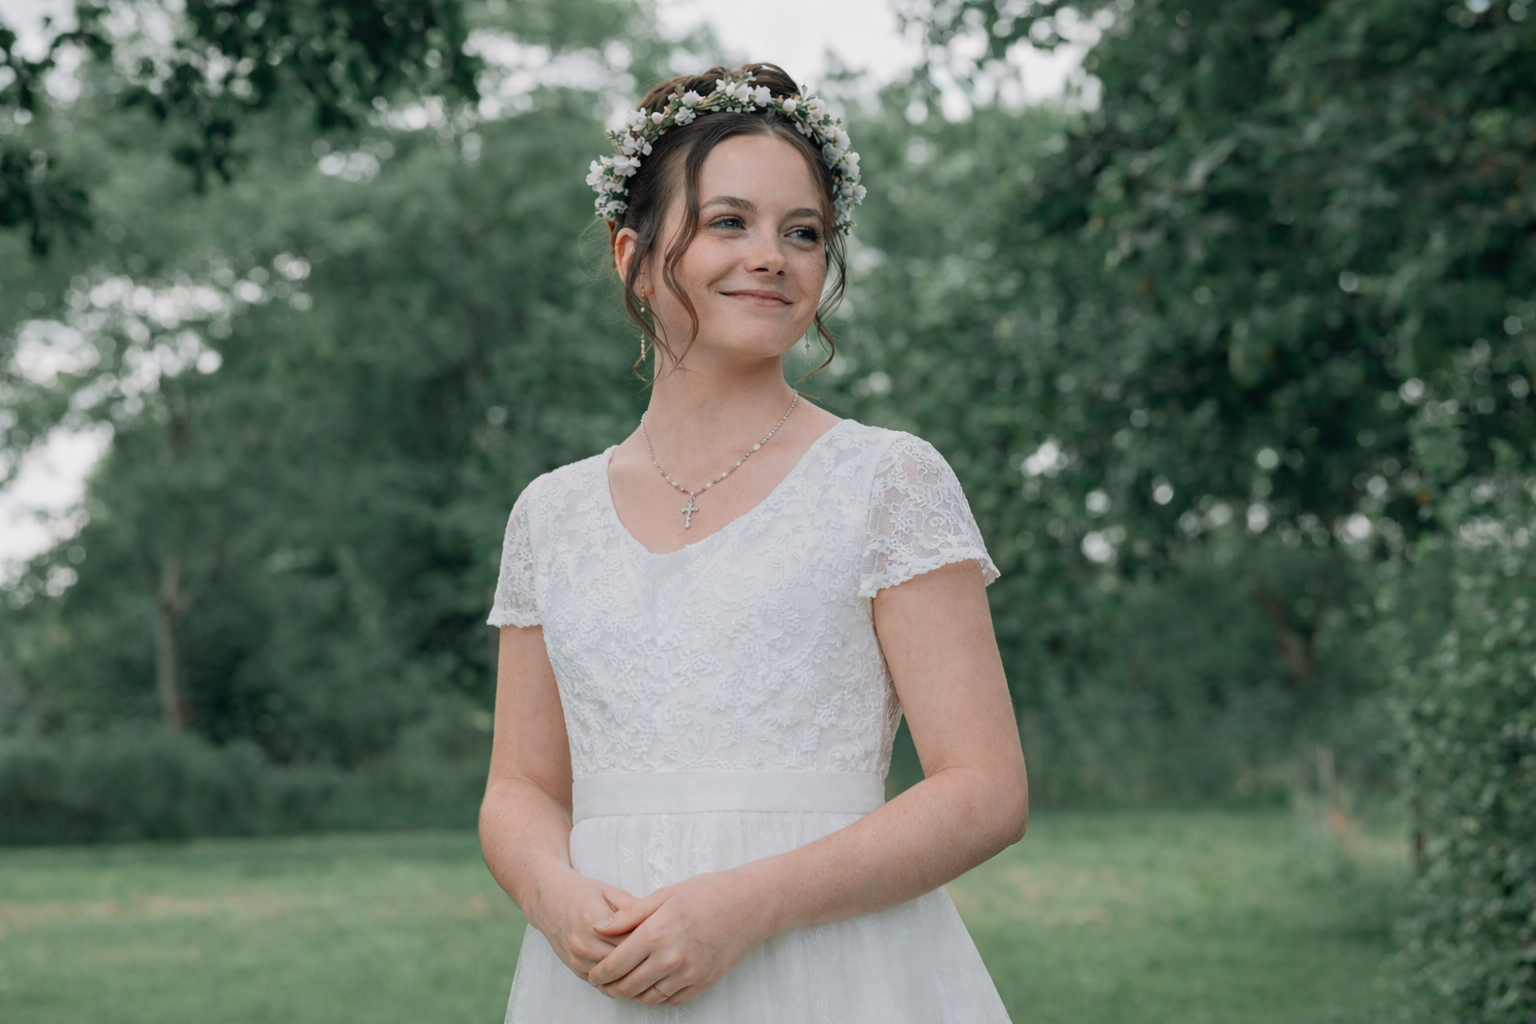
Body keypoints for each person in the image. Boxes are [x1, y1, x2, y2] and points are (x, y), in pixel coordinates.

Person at [479, 62, 1027, 1022]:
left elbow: (984, 791)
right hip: (603, 981)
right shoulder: (549, 515)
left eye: (802, 232)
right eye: (728, 221)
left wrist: (746, 908)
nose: (770, 255)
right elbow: (520, 786)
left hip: (838, 972)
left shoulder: (886, 480)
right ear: (632, 254)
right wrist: (554, 897)